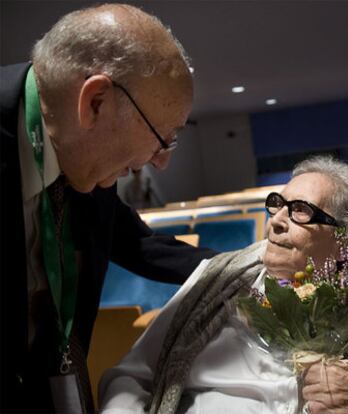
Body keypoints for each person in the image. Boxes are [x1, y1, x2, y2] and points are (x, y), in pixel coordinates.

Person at [0, 4, 216, 413]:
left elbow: (140, 244)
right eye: (162, 137)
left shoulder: (87, 155)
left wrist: (251, 266)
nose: (162, 161)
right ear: (95, 102)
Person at [99, 156, 348, 414]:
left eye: (301, 211)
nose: (276, 219)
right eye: (277, 204)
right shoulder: (218, 279)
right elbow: (131, 376)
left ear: (345, 239)